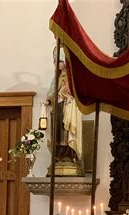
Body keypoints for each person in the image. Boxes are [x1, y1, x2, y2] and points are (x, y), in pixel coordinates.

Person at [46, 46, 83, 176]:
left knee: (67, 132)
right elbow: (51, 93)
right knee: (57, 132)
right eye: (56, 61)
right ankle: (59, 156)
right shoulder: (56, 78)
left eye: (60, 61)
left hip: (68, 107)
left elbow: (75, 92)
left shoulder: (73, 77)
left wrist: (66, 93)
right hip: (58, 108)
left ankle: (69, 156)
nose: (58, 64)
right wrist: (49, 101)